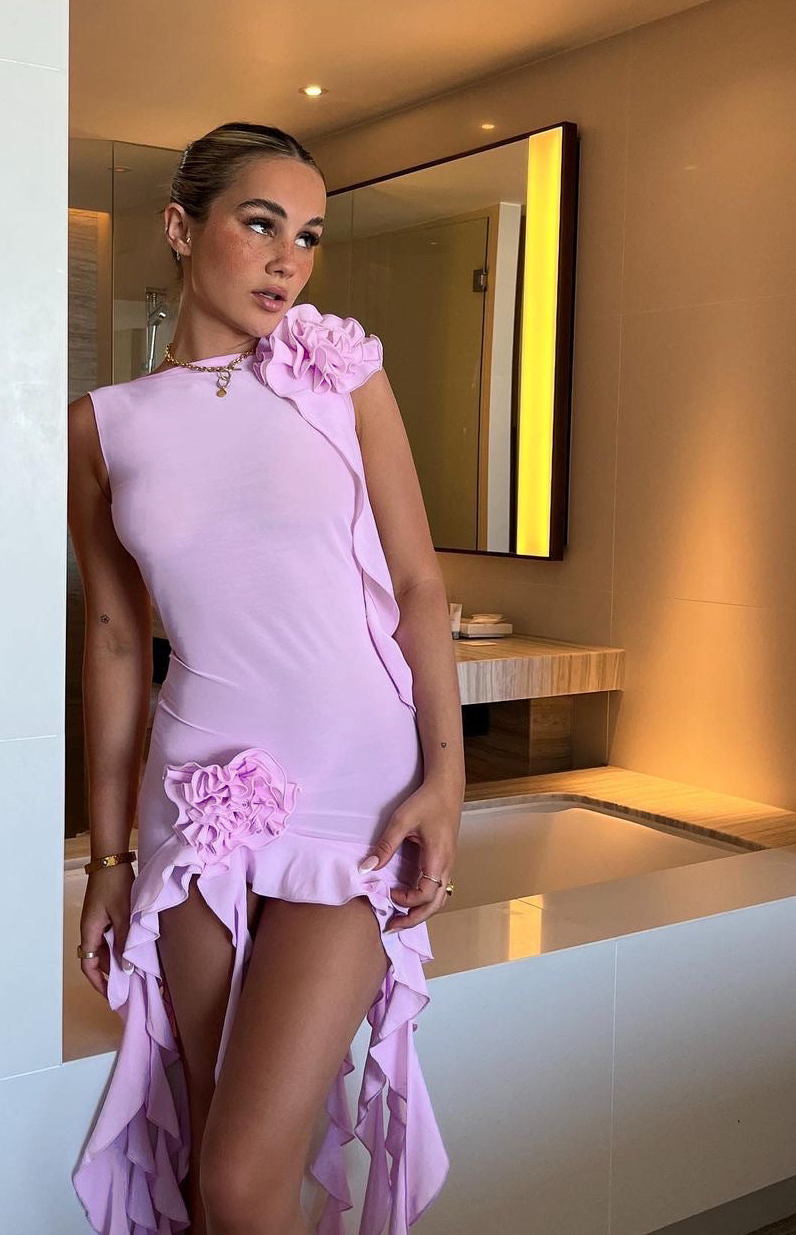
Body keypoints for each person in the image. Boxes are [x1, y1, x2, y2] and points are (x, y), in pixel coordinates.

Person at [67, 121, 465, 1235]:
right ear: (180, 227)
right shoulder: (101, 428)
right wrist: (109, 859)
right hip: (198, 795)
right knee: (215, 1157)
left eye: (310, 236)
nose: (290, 260)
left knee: (244, 1178)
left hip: (356, 796)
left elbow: (419, 585)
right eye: (261, 224)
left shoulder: (343, 378)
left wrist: (447, 782)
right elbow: (115, 642)